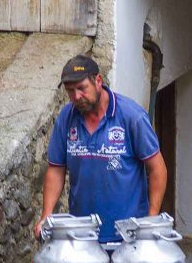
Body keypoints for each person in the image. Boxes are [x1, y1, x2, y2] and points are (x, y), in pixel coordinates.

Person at [34, 55, 168, 243]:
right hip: (82, 236)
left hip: (129, 238)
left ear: (98, 81)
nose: (76, 97)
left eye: (82, 88)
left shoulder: (131, 116)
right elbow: (56, 169)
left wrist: (150, 220)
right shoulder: (66, 118)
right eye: (70, 91)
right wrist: (46, 216)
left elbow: (157, 169)